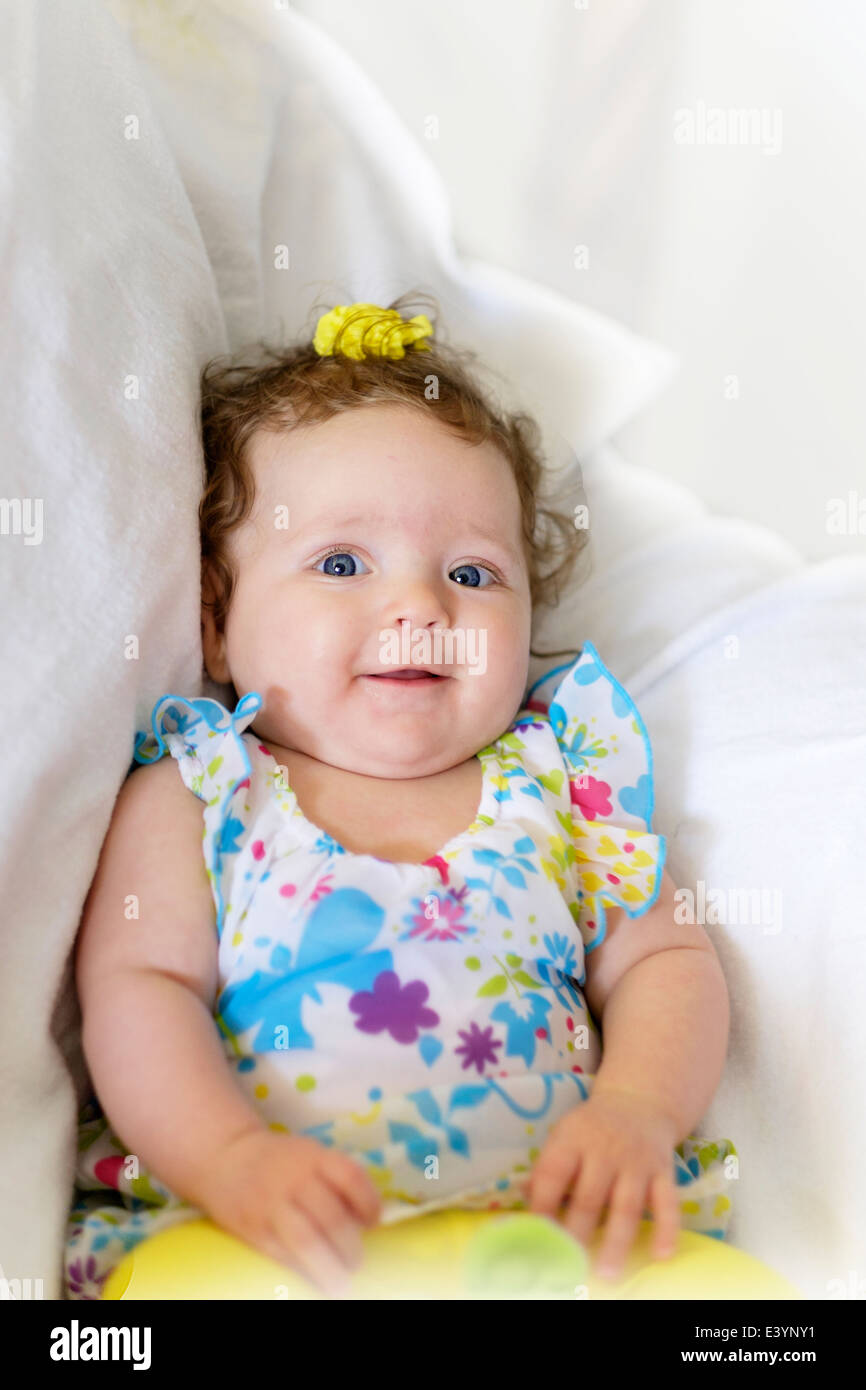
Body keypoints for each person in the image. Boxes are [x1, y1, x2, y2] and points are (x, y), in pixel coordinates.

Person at [64, 297, 735, 1301]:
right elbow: (140, 990)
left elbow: (668, 959)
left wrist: (634, 1110)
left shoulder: (564, 787)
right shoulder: (203, 792)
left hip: (547, 1232)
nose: (420, 605)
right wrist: (229, 1159)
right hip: (272, 1234)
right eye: (340, 563)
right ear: (215, 619)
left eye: (472, 571)